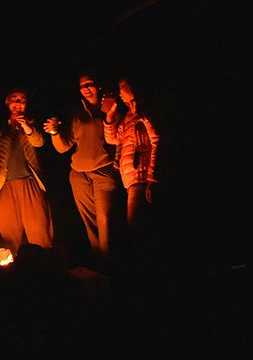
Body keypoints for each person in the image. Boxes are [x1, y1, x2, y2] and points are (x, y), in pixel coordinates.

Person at [43, 71, 123, 272]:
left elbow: (119, 137)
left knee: (106, 223)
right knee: (90, 223)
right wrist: (54, 132)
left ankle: (111, 269)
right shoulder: (76, 113)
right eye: (82, 85)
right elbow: (63, 147)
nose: (86, 88)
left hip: (104, 172)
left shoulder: (110, 108)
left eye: (90, 84)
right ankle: (100, 269)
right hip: (79, 174)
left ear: (99, 86)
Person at [102, 76, 160, 286]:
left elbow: (157, 140)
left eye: (122, 87)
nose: (119, 91)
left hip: (142, 177)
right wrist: (110, 115)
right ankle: (145, 277)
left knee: (139, 230)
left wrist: (152, 177)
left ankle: (147, 279)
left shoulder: (145, 113)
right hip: (131, 179)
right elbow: (112, 138)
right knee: (136, 230)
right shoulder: (128, 116)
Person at [0, 88, 54, 255]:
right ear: (7, 102)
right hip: (4, 186)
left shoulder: (32, 125)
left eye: (22, 100)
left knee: (39, 231)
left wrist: (26, 127)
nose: (18, 103)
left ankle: (46, 267)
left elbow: (39, 142)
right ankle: (13, 271)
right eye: (14, 99)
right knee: (9, 235)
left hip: (30, 183)